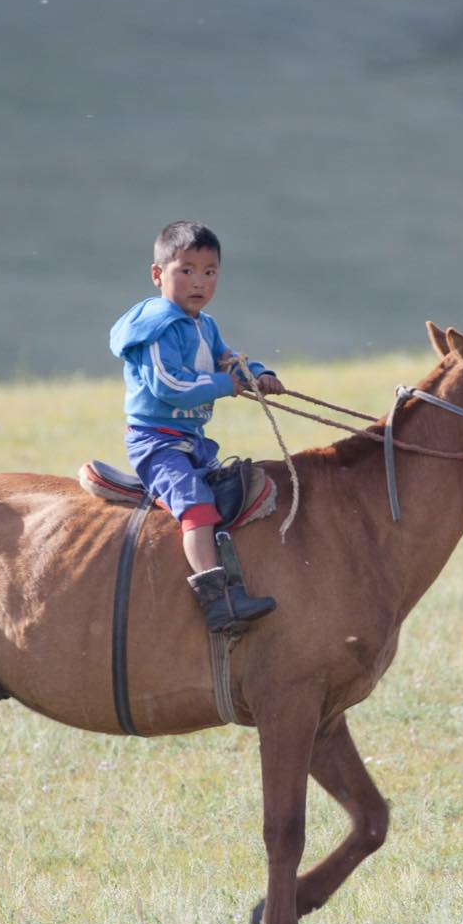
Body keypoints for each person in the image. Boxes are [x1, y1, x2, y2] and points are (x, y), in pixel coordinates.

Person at [108, 221, 284, 634]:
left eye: (209, 272)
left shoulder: (205, 324)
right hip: (157, 442)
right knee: (197, 507)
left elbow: (227, 359)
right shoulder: (158, 327)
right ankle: (217, 600)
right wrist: (227, 386)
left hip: (193, 441)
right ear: (158, 275)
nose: (198, 282)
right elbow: (167, 386)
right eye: (185, 270)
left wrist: (258, 374)